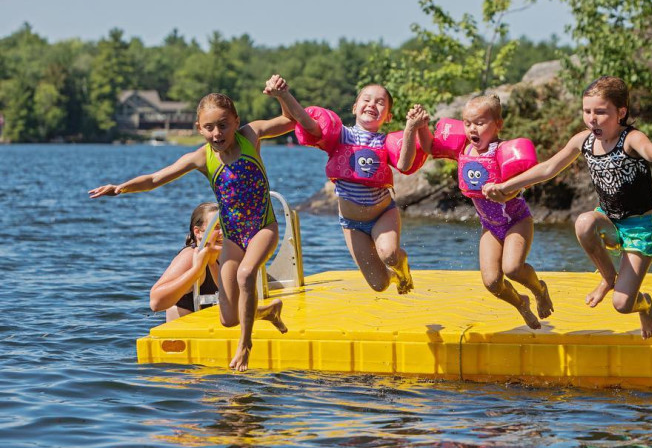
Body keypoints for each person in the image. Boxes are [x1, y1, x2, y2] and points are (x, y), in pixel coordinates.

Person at [89, 86, 293, 371]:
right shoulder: (202, 157)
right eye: (209, 128)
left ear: (236, 121)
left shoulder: (250, 135)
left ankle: (245, 346)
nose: (217, 134)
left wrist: (282, 95)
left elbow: (290, 121)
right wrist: (120, 188)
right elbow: (156, 178)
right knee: (228, 318)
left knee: (246, 275)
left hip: (262, 227)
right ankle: (267, 311)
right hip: (234, 236)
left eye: (223, 125)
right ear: (199, 128)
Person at [484, 76, 652, 339]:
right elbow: (547, 168)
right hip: (609, 220)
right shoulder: (583, 141)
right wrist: (505, 186)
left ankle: (645, 303)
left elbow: (649, 149)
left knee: (622, 305)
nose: (592, 118)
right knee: (584, 222)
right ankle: (608, 278)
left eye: (601, 112)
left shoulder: (630, 138)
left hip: (639, 226)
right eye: (587, 111)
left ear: (621, 113)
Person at [263, 75, 426, 295]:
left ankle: (401, 264)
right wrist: (284, 95)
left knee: (389, 254)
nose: (372, 104)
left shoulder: (384, 142)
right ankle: (394, 275)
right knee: (379, 285)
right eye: (366, 99)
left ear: (388, 117)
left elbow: (405, 165)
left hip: (382, 214)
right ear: (355, 107)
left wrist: (410, 129)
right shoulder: (340, 136)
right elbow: (309, 124)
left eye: (380, 102)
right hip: (352, 224)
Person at [415, 95, 554, 330]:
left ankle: (539, 289)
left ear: (498, 124)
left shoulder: (503, 151)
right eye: (467, 123)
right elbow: (429, 146)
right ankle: (521, 303)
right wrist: (421, 127)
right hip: (490, 225)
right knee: (491, 283)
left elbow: (517, 188)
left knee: (513, 269)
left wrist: (502, 190)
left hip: (516, 220)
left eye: (480, 123)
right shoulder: (462, 150)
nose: (472, 128)